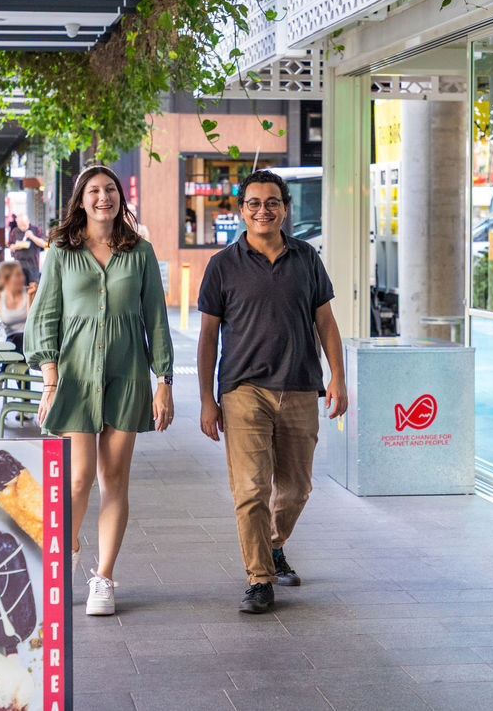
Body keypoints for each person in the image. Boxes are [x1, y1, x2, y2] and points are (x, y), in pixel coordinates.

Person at [25, 165, 174, 617]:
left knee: (114, 480)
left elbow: (156, 318)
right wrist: (49, 381)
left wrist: (164, 381)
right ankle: (66, 550)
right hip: (73, 377)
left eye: (110, 189)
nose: (103, 197)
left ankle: (103, 578)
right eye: (94, 190)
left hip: (126, 376)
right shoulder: (62, 253)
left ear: (119, 199)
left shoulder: (140, 252)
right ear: (81, 200)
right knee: (77, 479)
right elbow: (44, 317)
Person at [197, 169, 348, 614]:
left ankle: (274, 545)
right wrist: (208, 399)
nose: (263, 210)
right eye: (254, 203)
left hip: (301, 386)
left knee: (296, 488)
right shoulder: (223, 264)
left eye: (272, 202)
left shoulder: (306, 259)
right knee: (250, 488)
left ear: (285, 208)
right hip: (243, 390)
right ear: (242, 210)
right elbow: (207, 337)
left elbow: (326, 323)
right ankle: (260, 578)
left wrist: (337, 376)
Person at [9, 214, 49, 284]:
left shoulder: (36, 230)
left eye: (24, 225)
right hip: (19, 265)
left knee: (34, 288)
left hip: (33, 265)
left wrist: (32, 237)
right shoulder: (14, 231)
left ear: (28, 221)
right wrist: (16, 246)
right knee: (20, 289)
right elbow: (11, 246)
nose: (22, 228)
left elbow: (44, 245)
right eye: (20, 225)